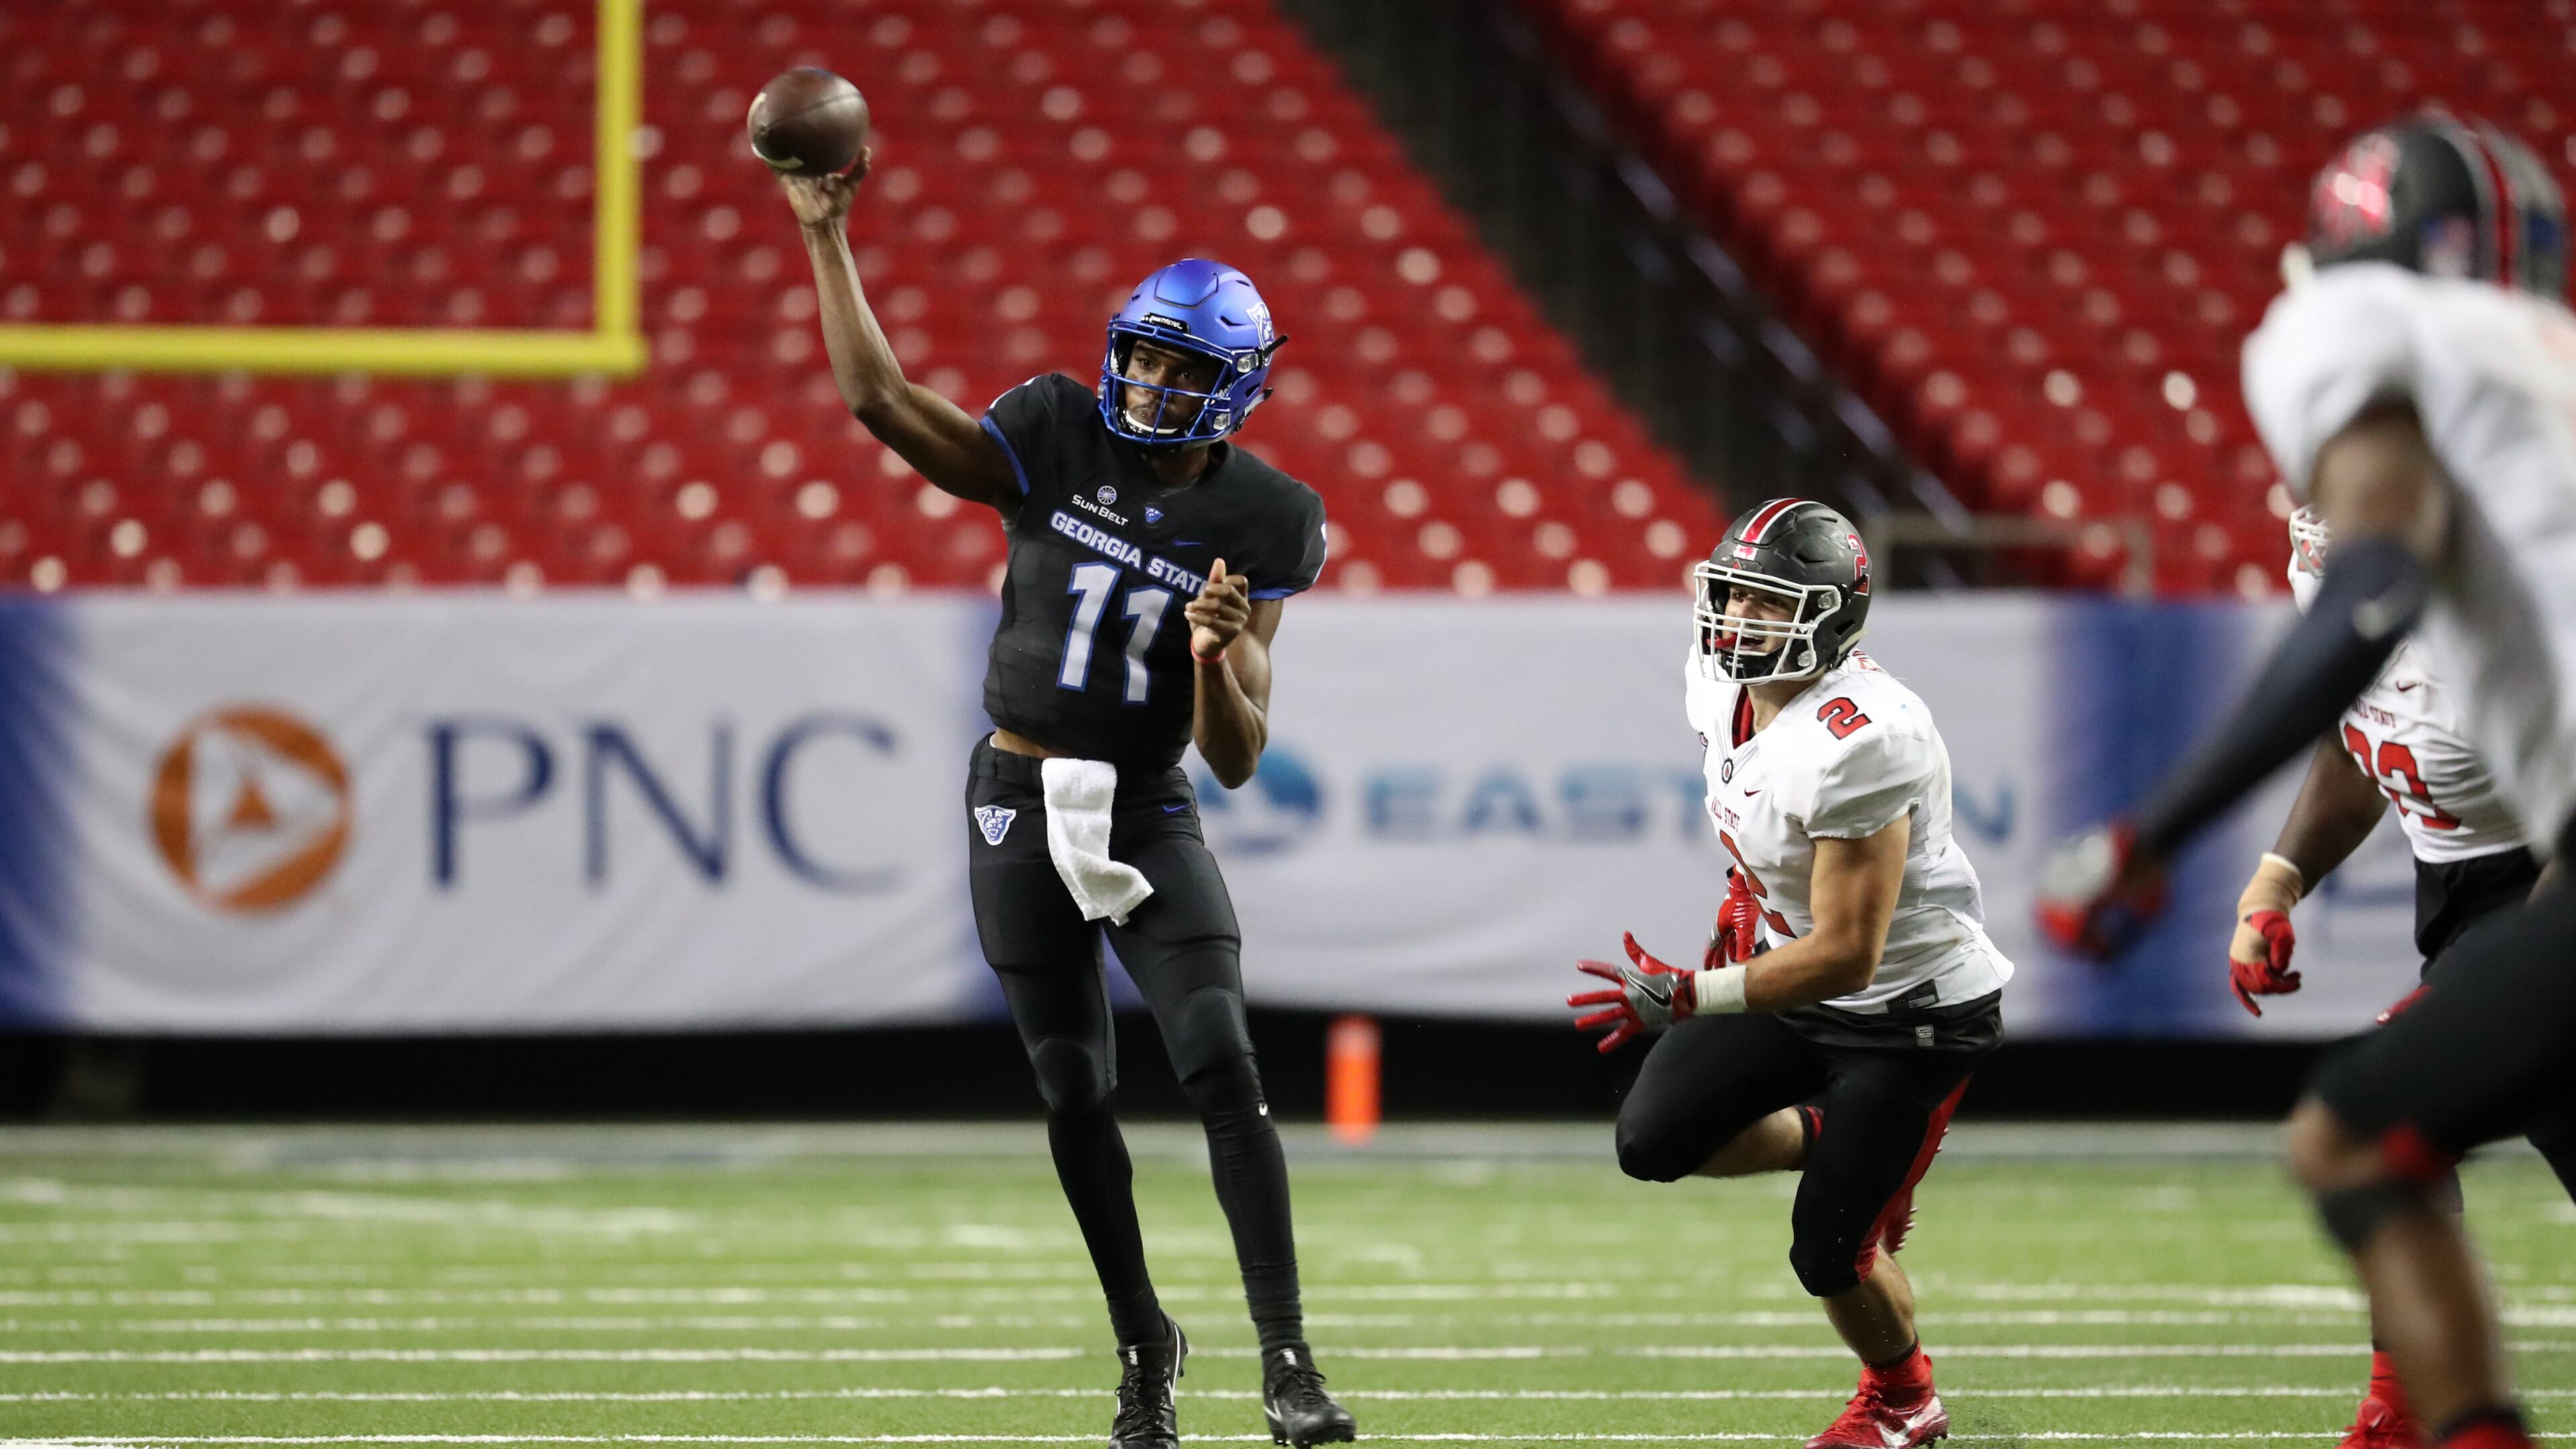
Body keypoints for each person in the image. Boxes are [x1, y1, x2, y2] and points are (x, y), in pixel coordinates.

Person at [776, 153, 1353, 1449]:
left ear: (1238, 392)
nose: (1149, 384)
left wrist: (1212, 655)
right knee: (1073, 1089)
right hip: (1016, 795)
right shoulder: (1050, 429)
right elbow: (879, 396)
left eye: (1182, 371)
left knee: (1222, 1064)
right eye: (1141, 357)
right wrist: (826, 234)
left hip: (1146, 807)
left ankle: (1290, 1363)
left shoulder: (1269, 519)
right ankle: (1145, 1343)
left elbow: (1244, 754)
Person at [2038, 115, 2575, 1449]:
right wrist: (2277, 869)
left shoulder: (2366, 347)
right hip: (2494, 873)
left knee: (2362, 1128)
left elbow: (2372, 600)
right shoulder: (2532, 386)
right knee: (2389, 1121)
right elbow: (2371, 713)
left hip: (2540, 871)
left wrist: (2152, 832)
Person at [1569, 499, 2013, 1449]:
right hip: (1792, 970)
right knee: (1652, 1139)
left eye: (1770, 606)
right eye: (1733, 596)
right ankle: (1835, 1136)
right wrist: (1744, 903)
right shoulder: (1718, 684)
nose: (1738, 621)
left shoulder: (1864, 735)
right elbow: (1765, 822)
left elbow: (1849, 951)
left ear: (1834, 616)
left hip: (1909, 1011)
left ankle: (1905, 1400)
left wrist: (1695, 993)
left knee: (1830, 1254)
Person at [2231, 506, 2576, 1446]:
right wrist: (2278, 879)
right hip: (2465, 897)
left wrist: (2510, 977)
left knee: (2380, 1118)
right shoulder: (2339, 563)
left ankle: (2408, 1408)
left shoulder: (2524, 608)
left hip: (2550, 882)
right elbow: (2359, 740)